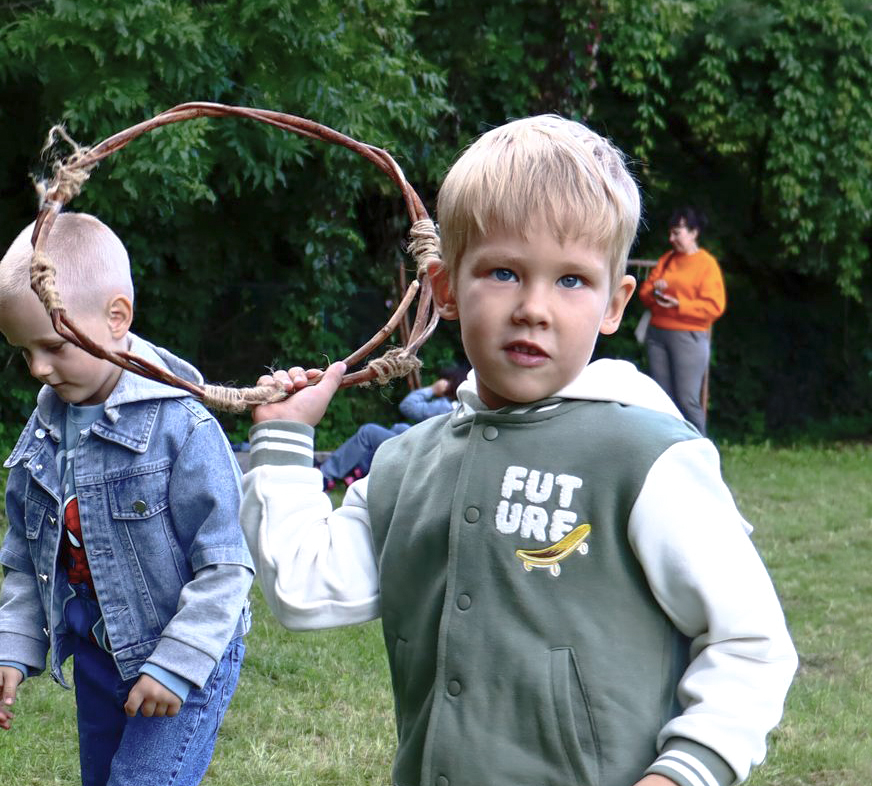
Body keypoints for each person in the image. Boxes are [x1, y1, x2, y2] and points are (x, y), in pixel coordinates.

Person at [239, 116, 796, 786]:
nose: (534, 307)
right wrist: (282, 440)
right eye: (503, 272)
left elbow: (749, 641)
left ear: (615, 303)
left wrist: (684, 772)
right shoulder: (405, 466)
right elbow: (304, 588)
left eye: (572, 280)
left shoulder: (646, 458)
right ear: (446, 288)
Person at [0, 213, 253, 786]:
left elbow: (226, 564)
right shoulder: (44, 432)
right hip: (100, 655)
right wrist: (13, 646)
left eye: (54, 345)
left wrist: (176, 665)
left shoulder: (182, 429)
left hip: (185, 655)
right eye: (24, 352)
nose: (38, 368)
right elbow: (27, 554)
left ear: (116, 318)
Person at [637, 207, 725, 434]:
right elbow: (644, 293)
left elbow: (714, 307)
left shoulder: (707, 264)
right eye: (671, 233)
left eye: (677, 232)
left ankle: (701, 449)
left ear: (694, 233)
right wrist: (655, 292)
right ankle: (667, 447)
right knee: (662, 400)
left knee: (687, 400)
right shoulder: (667, 259)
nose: (671, 238)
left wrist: (679, 304)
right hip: (657, 334)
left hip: (689, 337)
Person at [318, 364, 469, 489]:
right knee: (399, 428)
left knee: (368, 432)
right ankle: (360, 472)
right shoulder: (462, 408)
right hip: (430, 455)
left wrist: (432, 390)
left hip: (419, 457)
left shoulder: (445, 407)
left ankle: (326, 475)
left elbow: (407, 406)